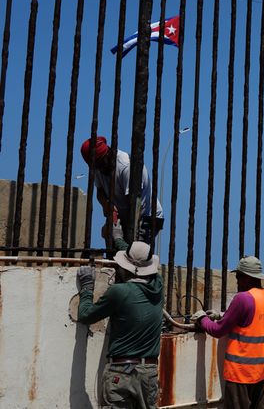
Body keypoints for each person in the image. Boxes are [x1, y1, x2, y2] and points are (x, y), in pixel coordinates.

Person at [76, 222, 164, 409]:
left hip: (120, 372)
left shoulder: (119, 292)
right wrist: (120, 241)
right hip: (148, 372)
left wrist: (87, 287)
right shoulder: (159, 286)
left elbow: (85, 315)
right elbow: (139, 262)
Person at [192, 256, 264, 409]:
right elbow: (250, 320)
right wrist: (222, 315)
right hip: (259, 373)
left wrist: (202, 319)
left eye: (239, 276)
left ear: (248, 277)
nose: (237, 280)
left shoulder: (243, 298)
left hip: (239, 374)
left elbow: (218, 330)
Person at [80, 135, 164, 243]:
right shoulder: (98, 166)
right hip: (125, 215)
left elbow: (135, 204)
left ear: (108, 154)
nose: (99, 169)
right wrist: (107, 205)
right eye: (95, 166)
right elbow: (100, 191)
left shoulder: (126, 166)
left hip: (146, 216)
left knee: (135, 253)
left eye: (100, 164)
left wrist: (119, 231)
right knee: (115, 250)